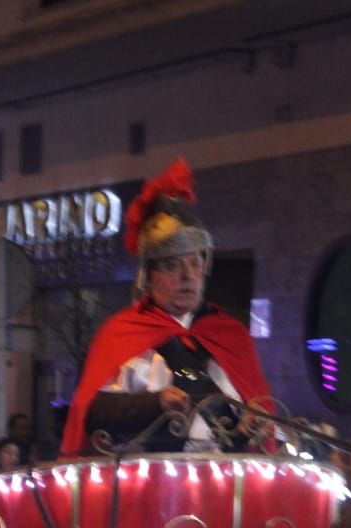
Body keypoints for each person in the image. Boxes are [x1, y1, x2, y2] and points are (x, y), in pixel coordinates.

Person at [60, 158, 271, 456]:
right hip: (145, 484)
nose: (187, 277)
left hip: (223, 482)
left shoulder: (229, 334)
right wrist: (154, 403)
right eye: (172, 266)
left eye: (194, 264)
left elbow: (261, 412)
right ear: (149, 275)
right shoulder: (121, 334)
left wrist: (254, 421)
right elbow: (94, 412)